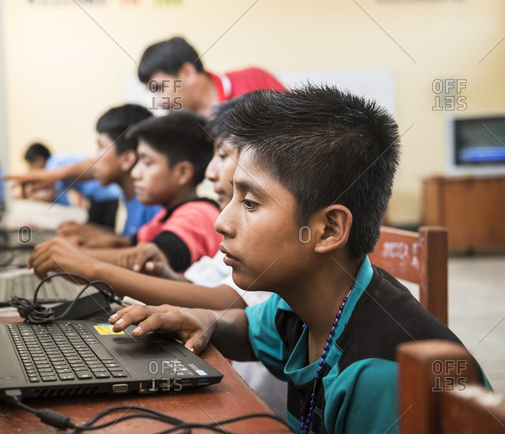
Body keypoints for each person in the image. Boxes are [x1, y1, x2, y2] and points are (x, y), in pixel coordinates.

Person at [107, 86, 490, 433]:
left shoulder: (377, 378)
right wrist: (203, 319)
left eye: (250, 203)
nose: (221, 222)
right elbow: (248, 334)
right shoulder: (306, 302)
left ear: (327, 230)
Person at [29, 99, 287, 416]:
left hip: (254, 407)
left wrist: (88, 267)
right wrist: (166, 278)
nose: (210, 172)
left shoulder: (202, 215)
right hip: (234, 393)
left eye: (222, 155)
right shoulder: (224, 233)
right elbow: (199, 289)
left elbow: (223, 300)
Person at [31, 111, 220, 272]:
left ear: (183, 173)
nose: (136, 173)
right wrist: (79, 243)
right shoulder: (165, 216)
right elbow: (126, 244)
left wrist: (74, 258)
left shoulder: (197, 215)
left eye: (147, 162)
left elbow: (145, 262)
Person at [56, 104, 163, 244]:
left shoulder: (153, 205)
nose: (93, 157)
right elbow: (132, 242)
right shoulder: (129, 197)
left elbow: (145, 256)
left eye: (101, 146)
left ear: (126, 159)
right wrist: (95, 233)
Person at [138, 36, 285, 117]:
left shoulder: (254, 80)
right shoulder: (175, 125)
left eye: (159, 88)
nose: (157, 102)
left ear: (188, 73)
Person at [20, 142, 122, 229]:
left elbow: (50, 196)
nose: (30, 169)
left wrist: (28, 197)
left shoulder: (53, 165)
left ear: (39, 160)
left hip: (105, 195)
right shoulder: (57, 161)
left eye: (31, 165)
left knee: (102, 233)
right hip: (100, 195)